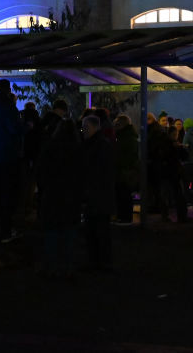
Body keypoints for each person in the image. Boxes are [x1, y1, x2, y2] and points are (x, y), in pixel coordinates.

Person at [37, 101, 84, 278]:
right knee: (69, 231)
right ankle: (68, 266)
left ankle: (51, 265)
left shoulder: (50, 148)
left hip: (52, 195)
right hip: (71, 197)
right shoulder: (77, 150)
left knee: (52, 231)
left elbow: (41, 171)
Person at [0, 79, 25, 242]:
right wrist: (25, 127)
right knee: (8, 193)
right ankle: (6, 230)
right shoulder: (8, 108)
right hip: (8, 154)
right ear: (7, 90)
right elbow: (13, 128)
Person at [81, 115, 115, 271]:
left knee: (98, 229)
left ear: (95, 127)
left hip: (97, 194)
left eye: (86, 127)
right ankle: (99, 260)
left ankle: (99, 260)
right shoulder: (99, 144)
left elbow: (99, 171)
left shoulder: (98, 146)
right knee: (96, 229)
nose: (84, 130)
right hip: (98, 194)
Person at [113, 113, 139, 224]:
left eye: (116, 124)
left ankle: (125, 218)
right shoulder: (126, 136)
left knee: (124, 194)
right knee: (123, 194)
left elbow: (127, 155)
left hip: (125, 171)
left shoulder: (126, 137)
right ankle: (123, 217)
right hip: (125, 170)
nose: (114, 127)